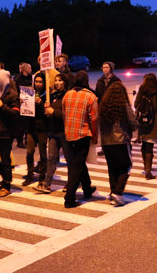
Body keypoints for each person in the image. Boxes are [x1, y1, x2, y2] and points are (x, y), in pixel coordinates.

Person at [62, 71, 98, 208]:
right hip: (82, 134)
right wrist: (95, 136)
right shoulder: (90, 97)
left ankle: (87, 189)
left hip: (69, 134)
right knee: (77, 166)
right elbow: (93, 119)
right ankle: (69, 198)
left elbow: (65, 114)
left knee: (79, 163)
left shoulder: (67, 94)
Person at [99, 81, 137, 206]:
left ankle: (113, 192)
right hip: (121, 140)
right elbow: (133, 123)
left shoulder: (103, 106)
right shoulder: (123, 105)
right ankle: (118, 192)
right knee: (126, 166)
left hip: (106, 142)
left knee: (112, 168)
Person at [37, 73, 73, 194]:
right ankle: (47, 184)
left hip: (64, 132)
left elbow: (68, 115)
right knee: (51, 158)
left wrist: (54, 112)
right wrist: (44, 107)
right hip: (53, 132)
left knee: (69, 159)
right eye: (56, 80)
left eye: (60, 81)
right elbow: (47, 113)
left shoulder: (68, 96)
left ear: (65, 82)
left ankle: (71, 183)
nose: (57, 83)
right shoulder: (52, 95)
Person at [0, 69, 21, 197]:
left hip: (6, 133)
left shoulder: (11, 95)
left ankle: (6, 185)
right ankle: (5, 177)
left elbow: (15, 114)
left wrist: (2, 106)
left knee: (5, 160)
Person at [135, 73, 157, 180]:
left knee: (144, 144)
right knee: (150, 146)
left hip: (143, 119)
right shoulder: (156, 89)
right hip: (153, 119)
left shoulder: (142, 89)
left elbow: (136, 104)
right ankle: (148, 171)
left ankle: (145, 165)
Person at [23, 72, 48, 186]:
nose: (38, 84)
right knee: (29, 153)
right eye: (36, 82)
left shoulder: (47, 95)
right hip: (31, 128)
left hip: (42, 128)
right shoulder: (29, 93)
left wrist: (42, 104)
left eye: (40, 82)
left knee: (43, 154)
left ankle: (42, 177)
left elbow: (48, 113)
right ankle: (30, 175)